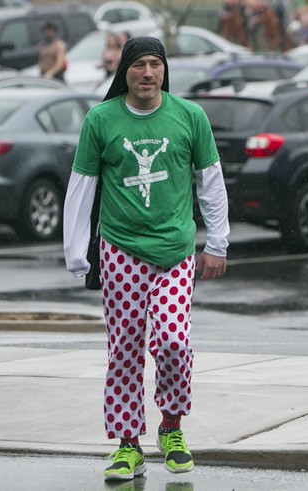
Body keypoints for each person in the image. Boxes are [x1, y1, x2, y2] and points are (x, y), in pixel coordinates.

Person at [62, 36, 230, 481]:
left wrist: (217, 243)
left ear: (164, 70)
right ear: (125, 71)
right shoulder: (101, 119)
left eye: (155, 64)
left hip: (175, 251)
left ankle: (171, 427)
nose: (148, 73)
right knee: (125, 348)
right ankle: (127, 445)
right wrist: (76, 252)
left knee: (173, 341)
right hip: (120, 249)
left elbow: (211, 181)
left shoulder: (190, 116)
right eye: (139, 65)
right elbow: (81, 185)